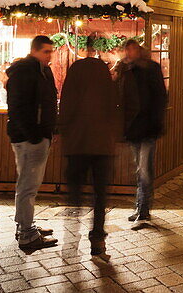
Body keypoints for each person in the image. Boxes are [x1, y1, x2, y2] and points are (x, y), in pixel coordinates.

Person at [58, 45, 120, 257]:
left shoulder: (73, 79)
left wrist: (64, 134)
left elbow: (64, 110)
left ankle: (71, 236)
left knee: (75, 192)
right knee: (100, 195)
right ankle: (97, 240)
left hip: (76, 146)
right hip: (102, 147)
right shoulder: (105, 83)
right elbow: (114, 111)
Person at [6, 35, 58, 251]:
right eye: (46, 51)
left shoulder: (41, 70)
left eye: (51, 51)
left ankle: (25, 225)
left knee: (29, 185)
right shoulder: (25, 71)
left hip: (36, 136)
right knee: (28, 186)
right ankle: (27, 234)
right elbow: (18, 107)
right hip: (30, 138)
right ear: (35, 50)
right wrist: (35, 134)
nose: (50, 55)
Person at [115, 39, 167, 225]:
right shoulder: (126, 70)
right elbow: (121, 97)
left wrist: (156, 122)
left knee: (144, 170)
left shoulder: (150, 69)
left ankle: (143, 209)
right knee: (139, 169)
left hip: (146, 127)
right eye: (127, 49)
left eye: (132, 49)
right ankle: (140, 206)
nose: (129, 53)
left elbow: (160, 97)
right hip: (133, 128)